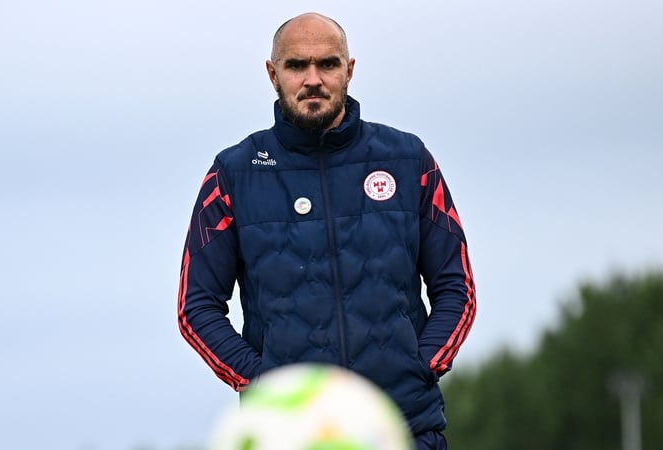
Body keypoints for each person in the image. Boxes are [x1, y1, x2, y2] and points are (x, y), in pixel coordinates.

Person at [177, 12, 476, 450]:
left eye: (328, 64)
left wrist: (421, 364)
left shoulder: (409, 160)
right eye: (297, 65)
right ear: (272, 73)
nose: (313, 79)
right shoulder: (233, 173)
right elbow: (196, 307)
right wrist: (263, 383)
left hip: (404, 428)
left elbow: (457, 287)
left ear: (350, 69)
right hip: (289, 435)